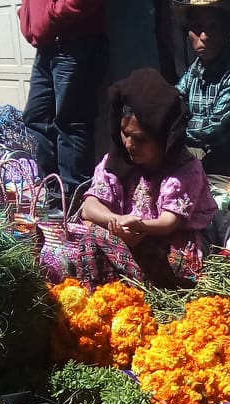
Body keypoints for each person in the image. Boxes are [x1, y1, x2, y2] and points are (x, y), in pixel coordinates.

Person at [76, 68, 217, 288]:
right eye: (125, 134)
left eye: (140, 139)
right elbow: (89, 207)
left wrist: (141, 228)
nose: (129, 145)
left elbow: (169, 222)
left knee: (102, 238)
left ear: (162, 138)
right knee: (91, 235)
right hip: (126, 235)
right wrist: (118, 221)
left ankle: (145, 292)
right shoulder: (115, 161)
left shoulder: (186, 168)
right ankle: (100, 302)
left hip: (168, 247)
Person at [20, 0, 106, 200]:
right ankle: (54, 196)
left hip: (74, 41)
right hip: (46, 45)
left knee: (71, 122)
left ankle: (75, 203)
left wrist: (52, 14)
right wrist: (27, 16)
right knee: (35, 119)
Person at [174, 0, 230, 186]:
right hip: (199, 159)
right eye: (197, 28)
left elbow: (214, 129)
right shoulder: (195, 70)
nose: (204, 37)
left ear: (226, 31)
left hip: (229, 168)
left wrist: (175, 128)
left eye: (212, 27)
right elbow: (172, 102)